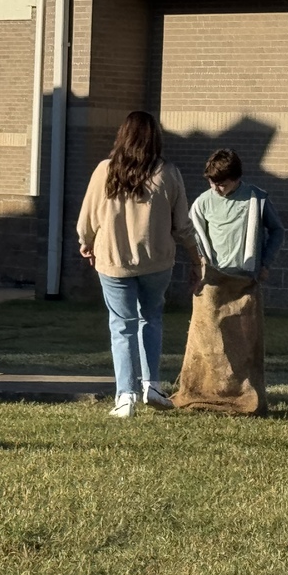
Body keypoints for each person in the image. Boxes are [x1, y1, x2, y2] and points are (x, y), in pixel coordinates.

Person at [76, 111, 200, 418]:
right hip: (157, 261)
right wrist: (197, 258)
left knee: (122, 327)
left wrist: (86, 242)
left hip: (114, 261)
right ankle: (152, 386)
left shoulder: (105, 170)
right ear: (154, 138)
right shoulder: (168, 172)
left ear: (123, 136)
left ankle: (125, 396)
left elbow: (88, 218)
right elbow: (183, 224)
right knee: (151, 319)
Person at [172, 149, 285, 415]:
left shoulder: (256, 199)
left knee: (243, 341)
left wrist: (265, 263)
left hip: (245, 281)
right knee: (208, 339)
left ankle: (242, 393)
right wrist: (198, 266)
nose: (217, 188)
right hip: (213, 281)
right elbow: (195, 238)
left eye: (222, 183)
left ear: (237, 179)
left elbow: (277, 230)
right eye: (212, 182)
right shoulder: (202, 203)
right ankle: (205, 390)